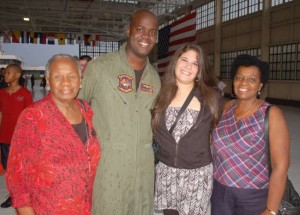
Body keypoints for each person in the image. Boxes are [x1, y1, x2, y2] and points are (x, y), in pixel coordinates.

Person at [78, 9, 160, 215]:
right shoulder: (99, 68)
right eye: (140, 29)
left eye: (152, 32)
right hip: (107, 168)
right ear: (128, 30)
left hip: (143, 170)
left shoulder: (155, 78)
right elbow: (75, 108)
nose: (146, 36)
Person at [6, 54, 101, 214]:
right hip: (48, 208)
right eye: (58, 77)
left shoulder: (86, 110)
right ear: (48, 81)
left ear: (80, 80)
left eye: (72, 76)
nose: (66, 82)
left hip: (86, 207)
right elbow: (17, 177)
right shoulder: (33, 116)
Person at [211, 54, 290, 215]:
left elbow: (281, 166)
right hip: (220, 192)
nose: (243, 83)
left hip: (253, 197)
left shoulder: (271, 114)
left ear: (260, 85)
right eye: (239, 77)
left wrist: (271, 210)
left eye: (251, 79)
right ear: (233, 81)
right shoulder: (226, 108)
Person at [151, 43, 223, 215]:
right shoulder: (159, 93)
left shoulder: (211, 98)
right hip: (167, 171)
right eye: (184, 60)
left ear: (200, 70)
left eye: (195, 63)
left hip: (197, 174)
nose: (188, 66)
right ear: (176, 62)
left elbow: (217, 130)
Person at [0, 64, 33, 208]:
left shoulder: (25, 94)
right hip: (4, 138)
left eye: (8, 73)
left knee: (20, 168)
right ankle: (13, 195)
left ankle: (22, 194)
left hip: (20, 139)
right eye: (5, 73)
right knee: (9, 169)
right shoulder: (1, 93)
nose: (5, 75)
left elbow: (30, 117)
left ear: (17, 75)